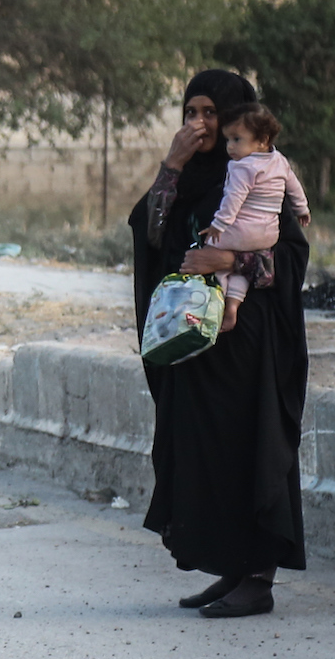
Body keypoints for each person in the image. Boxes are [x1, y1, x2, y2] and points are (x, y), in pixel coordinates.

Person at [131, 70, 308, 619]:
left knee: (250, 446)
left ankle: (258, 577)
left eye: (211, 113)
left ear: (238, 117)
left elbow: (292, 256)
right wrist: (173, 165)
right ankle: (233, 567)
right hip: (196, 340)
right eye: (191, 112)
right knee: (208, 454)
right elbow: (151, 234)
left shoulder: (261, 172)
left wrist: (228, 260)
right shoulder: (191, 176)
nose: (200, 123)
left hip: (251, 344)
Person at [200, 102, 309, 334]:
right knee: (242, 272)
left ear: (262, 140)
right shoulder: (279, 161)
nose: (229, 147)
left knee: (209, 254)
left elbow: (233, 199)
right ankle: (233, 306)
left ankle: (215, 300)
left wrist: (218, 225)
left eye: (236, 139)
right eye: (227, 139)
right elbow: (294, 188)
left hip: (240, 231)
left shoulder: (242, 167)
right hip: (267, 236)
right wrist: (302, 210)